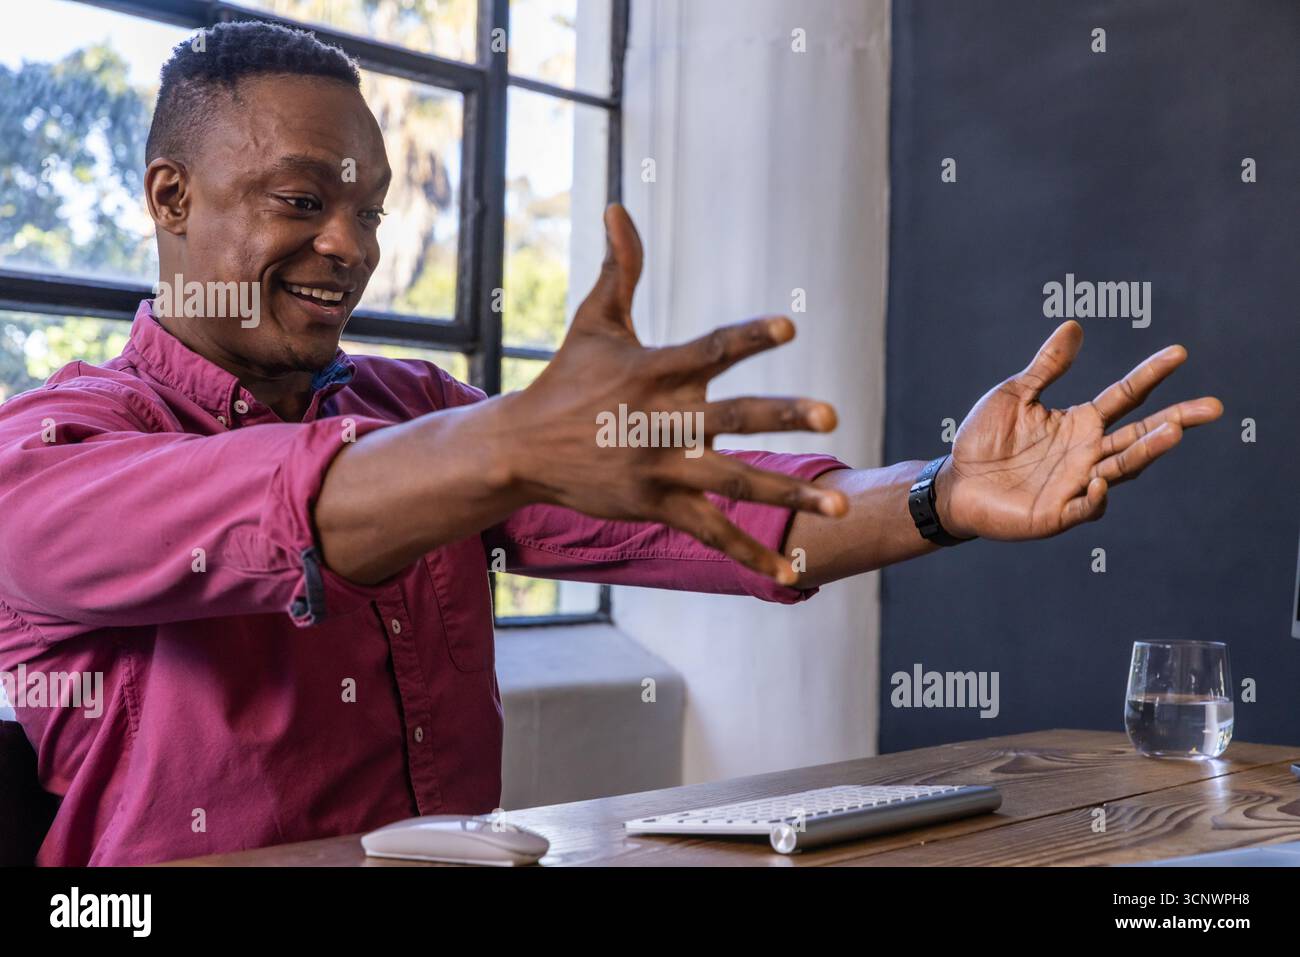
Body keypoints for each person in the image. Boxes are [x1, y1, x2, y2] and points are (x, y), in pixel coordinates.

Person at [0, 22, 1222, 865]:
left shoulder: (425, 407)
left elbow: (707, 504)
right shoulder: (51, 450)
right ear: (170, 200)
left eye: (367, 210)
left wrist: (939, 496)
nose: (352, 246)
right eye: (302, 200)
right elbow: (292, 511)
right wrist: (504, 442)